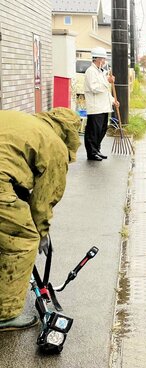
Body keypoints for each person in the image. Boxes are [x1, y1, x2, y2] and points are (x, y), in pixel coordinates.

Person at [0, 107, 81, 331]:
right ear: (70, 133)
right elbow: (44, 200)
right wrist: (41, 232)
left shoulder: (24, 122)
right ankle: (5, 315)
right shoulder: (54, 144)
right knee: (22, 241)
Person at [84, 46, 119, 161]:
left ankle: (97, 150)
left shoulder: (101, 72)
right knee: (93, 131)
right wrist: (107, 81)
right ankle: (92, 153)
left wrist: (114, 100)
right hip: (95, 107)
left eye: (104, 59)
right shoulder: (91, 71)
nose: (104, 62)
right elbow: (95, 88)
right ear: (96, 59)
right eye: (102, 59)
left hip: (104, 107)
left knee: (102, 130)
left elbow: (106, 92)